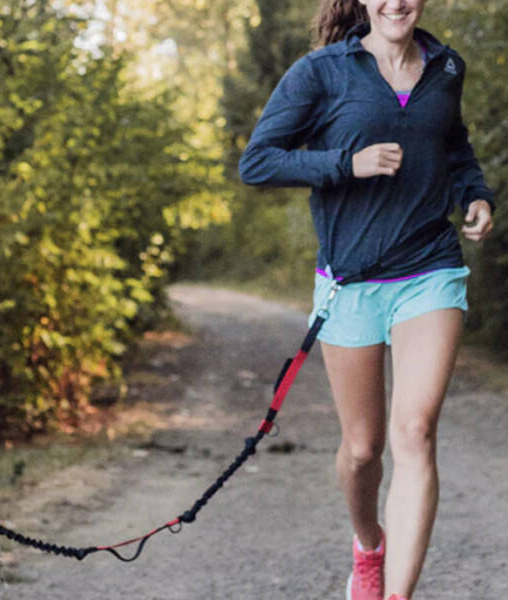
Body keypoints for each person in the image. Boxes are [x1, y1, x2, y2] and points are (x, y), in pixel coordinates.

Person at [237, 1, 495, 599]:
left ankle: (397, 595)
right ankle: (369, 545)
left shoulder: (446, 68)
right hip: (350, 283)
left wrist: (474, 195)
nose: (396, 2)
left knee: (416, 432)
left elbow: (454, 148)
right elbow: (257, 162)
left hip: (430, 271)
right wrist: (343, 165)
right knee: (361, 451)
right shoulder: (322, 72)